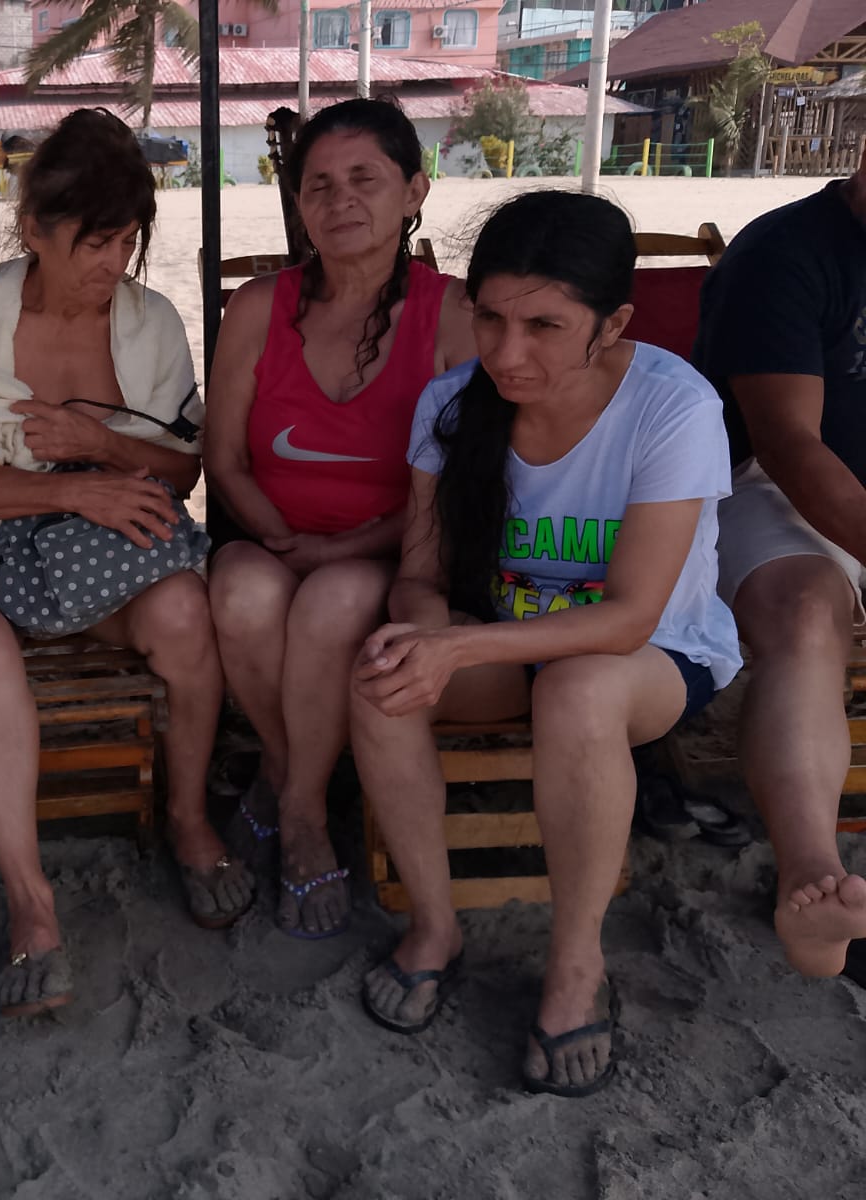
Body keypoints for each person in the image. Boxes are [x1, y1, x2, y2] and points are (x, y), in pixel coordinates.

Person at [349, 191, 741, 1097]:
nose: (506, 352)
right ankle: (434, 925)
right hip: (503, 645)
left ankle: (575, 965)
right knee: (378, 677)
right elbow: (419, 572)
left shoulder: (673, 408)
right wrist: (426, 634)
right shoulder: (455, 404)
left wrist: (459, 649)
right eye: (489, 318)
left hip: (653, 657)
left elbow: (631, 617)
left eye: (544, 326)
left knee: (578, 688)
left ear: (615, 325)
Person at [0, 108, 249, 1017]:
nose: (112, 264)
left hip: (94, 556)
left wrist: (100, 448)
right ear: (33, 230)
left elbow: (184, 466)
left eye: (127, 241)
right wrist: (74, 492)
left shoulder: (149, 322)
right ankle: (32, 901)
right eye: (94, 242)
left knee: (184, 611)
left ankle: (187, 818)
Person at [202, 99, 475, 938]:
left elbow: (456, 488)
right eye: (317, 184)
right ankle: (294, 775)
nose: (339, 199)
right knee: (242, 592)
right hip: (272, 535)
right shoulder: (258, 306)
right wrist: (280, 537)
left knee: (332, 600)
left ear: (414, 191)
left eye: (365, 178)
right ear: (297, 203)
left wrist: (341, 549)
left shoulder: (453, 314)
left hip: (396, 545)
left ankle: (301, 810)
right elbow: (224, 457)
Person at [693, 145, 866, 980]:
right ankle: (810, 874)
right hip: (771, 485)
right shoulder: (785, 253)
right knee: (802, 612)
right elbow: (788, 443)